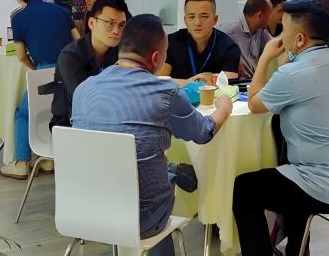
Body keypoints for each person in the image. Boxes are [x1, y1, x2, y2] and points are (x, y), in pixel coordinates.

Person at [72, 14, 233, 249]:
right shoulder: (165, 92)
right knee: (158, 187)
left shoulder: (84, 89)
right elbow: (203, 133)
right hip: (142, 216)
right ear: (156, 57)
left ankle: (171, 171)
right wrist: (224, 108)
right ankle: (172, 172)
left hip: (83, 208)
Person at [233, 0, 329, 256]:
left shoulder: (293, 75)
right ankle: (297, 250)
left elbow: (254, 104)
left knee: (245, 187)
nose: (280, 37)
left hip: (322, 188)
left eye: (284, 31)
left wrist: (266, 56)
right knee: (291, 172)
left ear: (300, 39)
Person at [3, 0, 79, 179]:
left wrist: (36, 68)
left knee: (24, 113)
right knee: (55, 112)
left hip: (44, 71)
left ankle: (21, 162)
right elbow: (78, 41)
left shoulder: (18, 17)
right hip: (69, 71)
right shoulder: (62, 11)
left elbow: (20, 55)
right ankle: (49, 159)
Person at [45, 0, 129, 129]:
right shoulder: (71, 55)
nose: (116, 31)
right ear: (91, 23)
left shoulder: (120, 52)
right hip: (70, 125)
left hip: (108, 122)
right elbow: (86, 100)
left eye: (121, 25)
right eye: (110, 23)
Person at [158, 0, 241, 83]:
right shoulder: (170, 42)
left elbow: (227, 83)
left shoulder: (229, 47)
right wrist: (189, 82)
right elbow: (160, 80)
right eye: (191, 17)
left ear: (215, 19)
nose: (197, 22)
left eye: (204, 16)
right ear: (185, 20)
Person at [219, 0, 272, 79]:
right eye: (269, 15)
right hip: (234, 83)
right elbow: (211, 46)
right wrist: (233, 58)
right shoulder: (229, 30)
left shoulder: (261, 31)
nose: (270, 18)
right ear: (260, 15)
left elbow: (274, 46)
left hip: (251, 81)